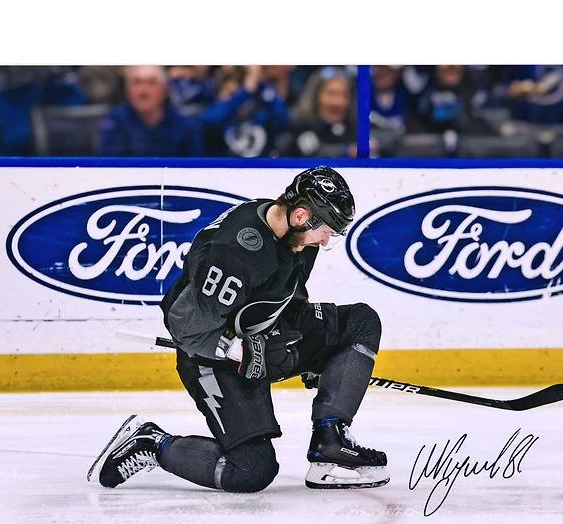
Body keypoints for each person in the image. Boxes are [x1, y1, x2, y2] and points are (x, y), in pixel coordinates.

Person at [88, 167, 389, 493]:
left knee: (360, 322)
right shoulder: (238, 253)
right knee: (252, 470)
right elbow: (184, 326)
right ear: (301, 215)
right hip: (209, 353)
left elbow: (286, 296)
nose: (326, 241)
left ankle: (329, 441)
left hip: (261, 333)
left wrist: (320, 358)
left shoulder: (297, 236)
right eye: (326, 231)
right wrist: (240, 351)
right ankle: (152, 443)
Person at [97, 65, 203, 156]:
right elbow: (108, 167)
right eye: (137, 82)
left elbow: (194, 168)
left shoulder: (185, 126)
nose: (143, 91)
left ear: (165, 88)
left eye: (151, 83)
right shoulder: (114, 122)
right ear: (127, 88)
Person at [200, 65, 289, 157]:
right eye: (231, 95)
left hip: (258, 165)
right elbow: (209, 120)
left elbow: (282, 119)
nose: (239, 100)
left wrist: (260, 82)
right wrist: (245, 90)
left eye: (243, 95)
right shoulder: (217, 117)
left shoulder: (260, 117)